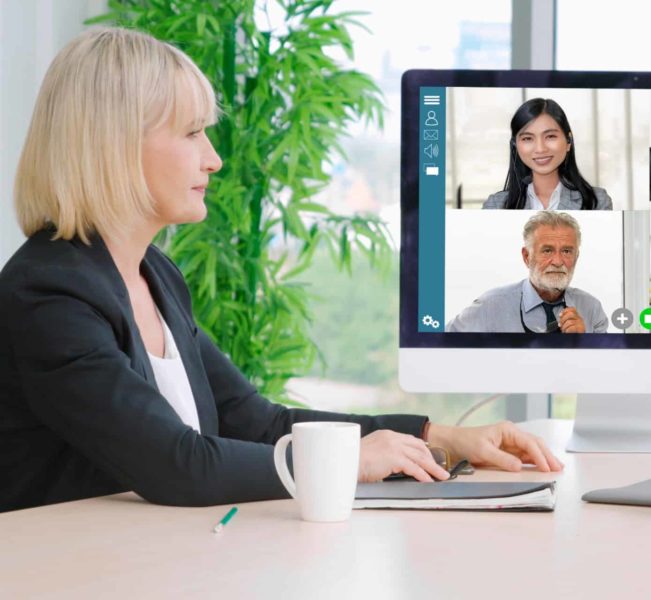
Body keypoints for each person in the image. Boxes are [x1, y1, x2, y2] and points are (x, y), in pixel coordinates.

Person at [0, 28, 563, 513]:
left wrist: (437, 436)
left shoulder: (154, 275)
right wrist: (345, 462)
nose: (213, 158)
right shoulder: (50, 293)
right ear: (115, 144)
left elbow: (254, 420)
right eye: (192, 132)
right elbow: (176, 463)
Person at [448, 211, 608, 333]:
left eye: (566, 251)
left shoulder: (591, 309)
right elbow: (438, 347)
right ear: (526, 256)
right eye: (547, 251)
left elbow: (605, 369)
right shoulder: (490, 306)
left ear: (576, 257)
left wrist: (587, 342)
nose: (558, 262)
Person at [483, 98, 613, 210]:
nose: (540, 149)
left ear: (568, 141)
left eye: (550, 136)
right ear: (515, 146)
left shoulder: (597, 202)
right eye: (527, 138)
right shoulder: (496, 205)